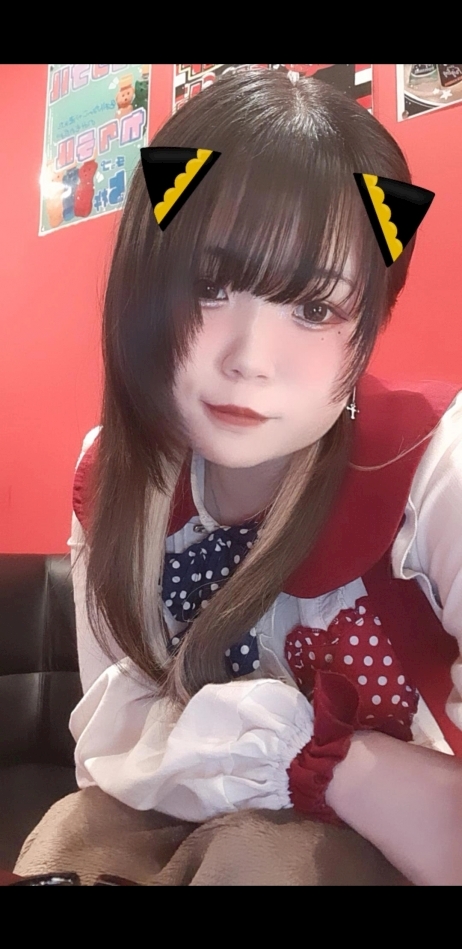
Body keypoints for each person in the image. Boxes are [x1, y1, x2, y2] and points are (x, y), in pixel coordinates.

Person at [15, 69, 462, 886]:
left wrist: (331, 766)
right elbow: (117, 751)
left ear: (371, 320)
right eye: (208, 285)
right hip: (179, 832)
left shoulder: (433, 465)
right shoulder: (114, 479)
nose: (249, 360)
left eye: (315, 307)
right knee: (75, 835)